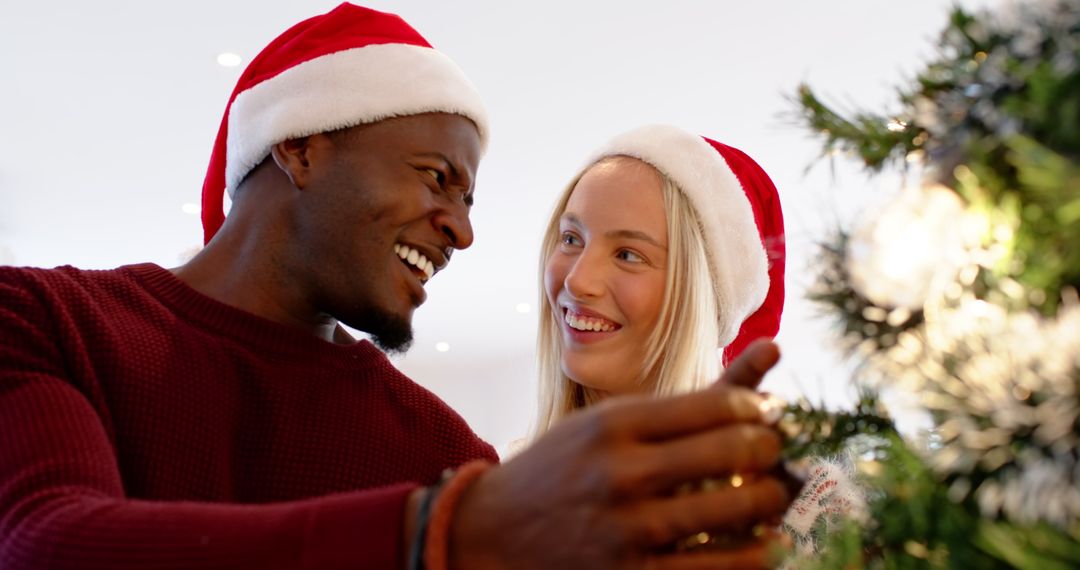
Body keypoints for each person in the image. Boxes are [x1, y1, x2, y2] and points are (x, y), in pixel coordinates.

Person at [0, 4, 793, 569]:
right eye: (437, 177)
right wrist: (438, 533)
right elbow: (44, 542)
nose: (463, 231)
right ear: (301, 148)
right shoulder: (41, 319)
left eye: (469, 200)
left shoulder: (446, 455)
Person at [535, 124, 786, 432]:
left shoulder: (779, 465)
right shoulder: (513, 464)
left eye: (628, 255)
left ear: (702, 297)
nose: (577, 281)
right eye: (571, 239)